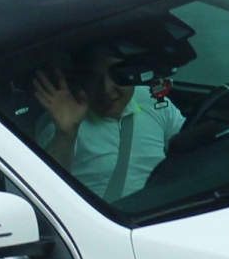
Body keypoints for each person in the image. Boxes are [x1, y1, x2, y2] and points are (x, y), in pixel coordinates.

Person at [30, 44, 186, 201]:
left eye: (116, 74)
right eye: (93, 77)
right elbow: (44, 191)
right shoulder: (61, 123)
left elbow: (188, 147)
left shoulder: (151, 102)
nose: (106, 89)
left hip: (165, 212)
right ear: (79, 79)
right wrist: (66, 133)